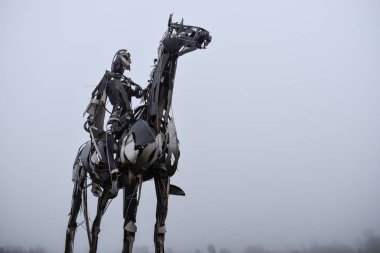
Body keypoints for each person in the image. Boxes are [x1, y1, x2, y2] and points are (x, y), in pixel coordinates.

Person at [83, 49, 143, 197]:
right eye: (124, 60)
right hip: (116, 118)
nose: (126, 64)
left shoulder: (128, 82)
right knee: (109, 139)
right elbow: (98, 96)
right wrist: (91, 115)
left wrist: (141, 91)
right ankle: (110, 169)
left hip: (128, 118)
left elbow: (137, 92)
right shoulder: (108, 78)